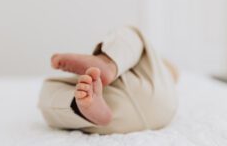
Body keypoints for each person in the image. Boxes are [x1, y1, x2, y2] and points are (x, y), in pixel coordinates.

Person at [38, 26, 178, 134]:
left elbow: (174, 71)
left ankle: (109, 62)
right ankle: (91, 106)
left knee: (129, 33)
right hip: (159, 112)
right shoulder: (162, 80)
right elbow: (174, 73)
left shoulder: (156, 65)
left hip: (115, 111)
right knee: (129, 40)